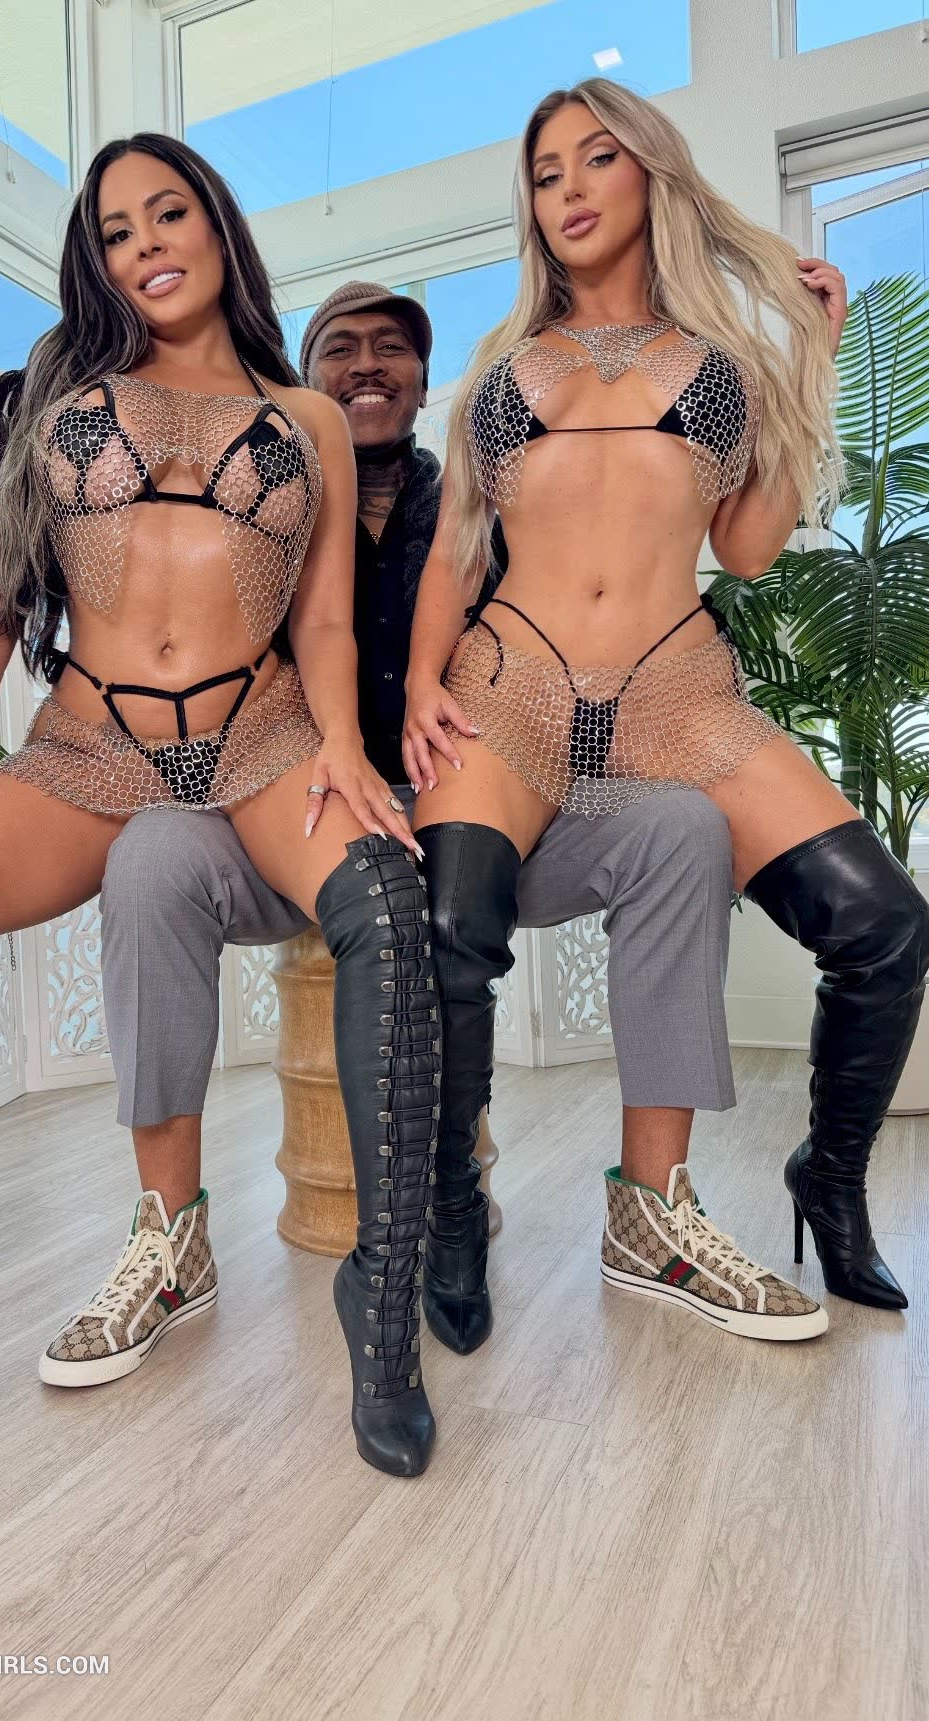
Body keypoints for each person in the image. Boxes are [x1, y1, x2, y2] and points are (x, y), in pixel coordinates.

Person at [0, 134, 441, 1478]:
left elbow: (325, 620)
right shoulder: (61, 395)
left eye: (169, 213)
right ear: (97, 263)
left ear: (217, 226)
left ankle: (380, 1314)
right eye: (116, 231)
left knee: (387, 899)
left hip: (262, 740)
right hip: (88, 751)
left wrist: (345, 746)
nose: (147, 243)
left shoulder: (307, 416)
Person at [76, 274, 739, 1388]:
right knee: (146, 857)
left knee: (680, 826)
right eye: (340, 348)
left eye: (392, 347)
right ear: (303, 382)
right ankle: (167, 1232)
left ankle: (650, 1206)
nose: (367, 365)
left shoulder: (493, 494)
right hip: (298, 827)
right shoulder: (252, 504)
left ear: (427, 382)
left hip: (479, 818)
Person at [403, 79, 929, 1340]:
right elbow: (455, 553)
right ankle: (453, 1207)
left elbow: (744, 549)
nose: (570, 190)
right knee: (453, 927)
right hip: (510, 684)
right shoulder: (504, 370)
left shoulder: (719, 371)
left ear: (650, 173)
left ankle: (827, 1180)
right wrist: (421, 681)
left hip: (676, 692)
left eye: (597, 159)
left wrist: (811, 362)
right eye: (546, 175)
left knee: (885, 923)